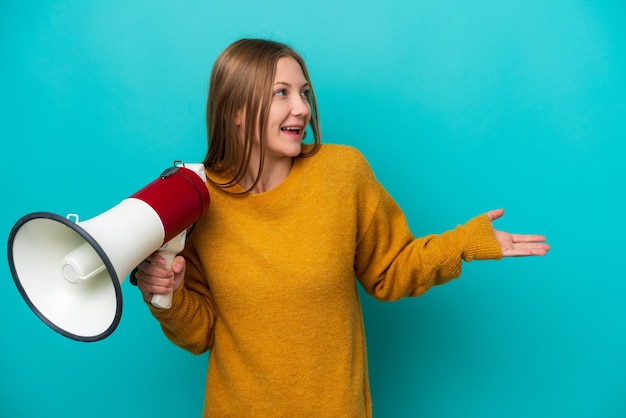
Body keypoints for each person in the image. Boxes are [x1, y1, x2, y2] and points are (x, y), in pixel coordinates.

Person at [134, 38, 550, 417]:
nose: (301, 108)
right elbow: (200, 333)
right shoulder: (197, 199)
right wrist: (166, 295)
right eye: (282, 93)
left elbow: (389, 270)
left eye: (304, 93)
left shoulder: (342, 173)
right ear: (236, 109)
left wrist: (465, 243)